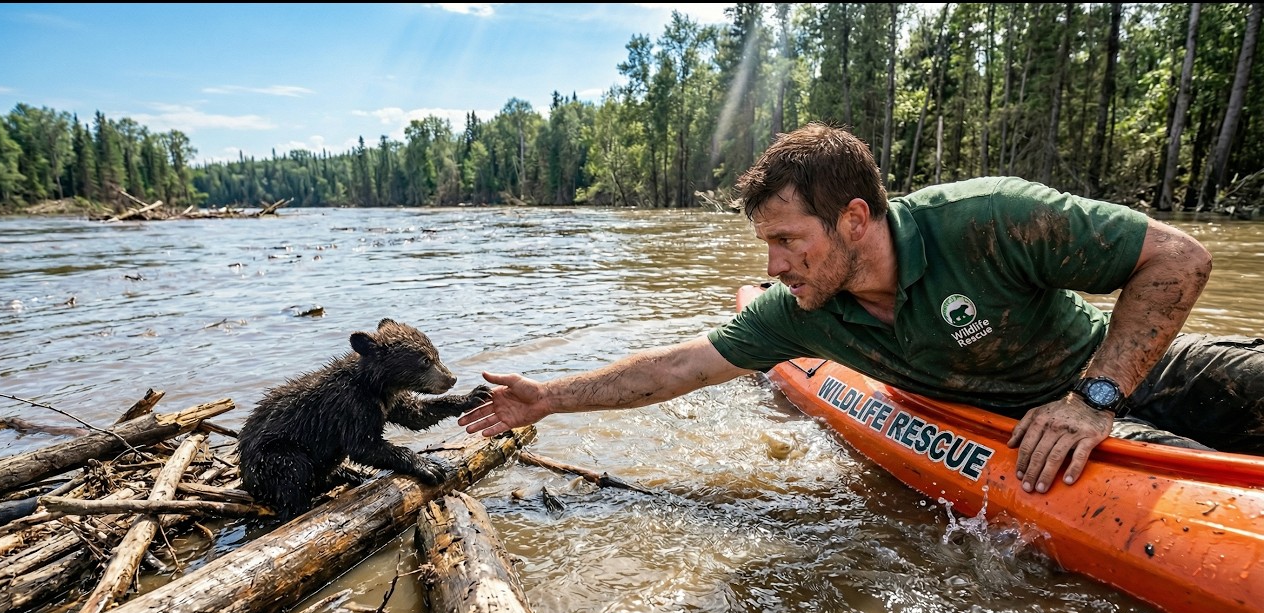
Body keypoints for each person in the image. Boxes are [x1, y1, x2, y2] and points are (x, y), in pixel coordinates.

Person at [459, 121, 1264, 494]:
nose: (771, 266)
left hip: (1110, 371)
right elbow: (682, 365)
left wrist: (1095, 398)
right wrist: (551, 400)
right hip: (1021, 429)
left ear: (853, 218)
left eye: (786, 240)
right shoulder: (796, 311)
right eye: (766, 246)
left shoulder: (986, 217)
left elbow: (1178, 259)